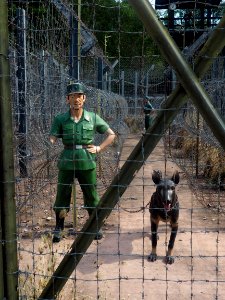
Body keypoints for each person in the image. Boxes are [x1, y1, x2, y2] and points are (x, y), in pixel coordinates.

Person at [49, 82, 116, 242]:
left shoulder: (92, 117)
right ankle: (59, 227)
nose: (76, 99)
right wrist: (50, 141)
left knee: (91, 194)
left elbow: (111, 135)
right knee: (62, 194)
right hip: (67, 161)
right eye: (72, 96)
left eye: (79, 96)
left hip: (87, 160)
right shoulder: (60, 119)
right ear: (68, 99)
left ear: (84, 98)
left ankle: (94, 226)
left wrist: (99, 148)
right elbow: (52, 137)